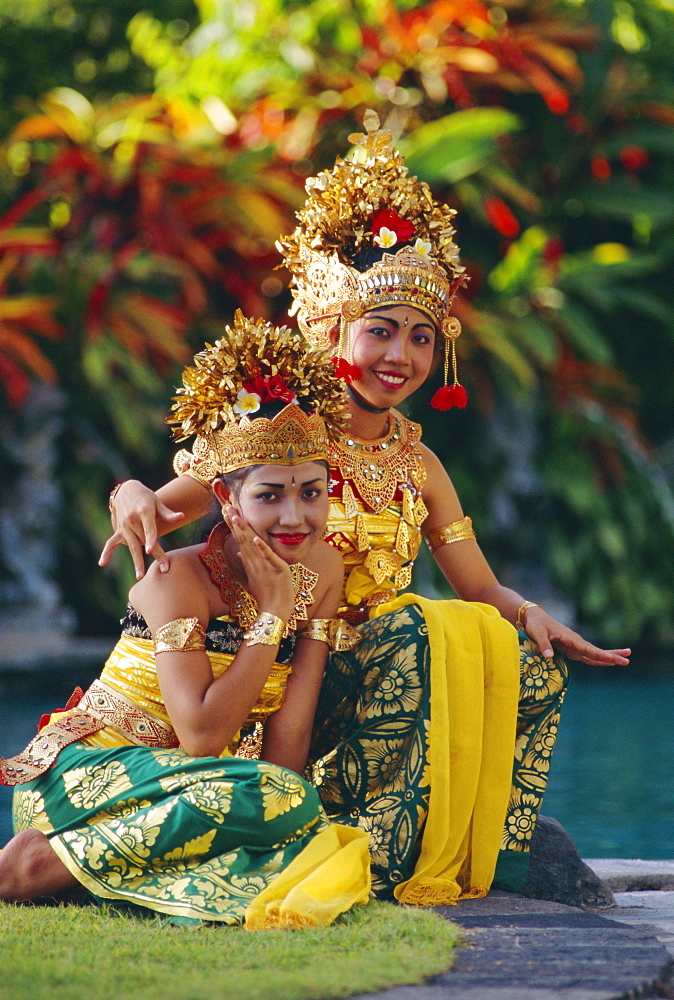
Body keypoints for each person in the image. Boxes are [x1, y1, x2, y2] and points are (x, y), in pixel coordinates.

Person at [99, 113, 630, 902]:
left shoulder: (420, 462)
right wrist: (129, 492)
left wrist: (532, 617)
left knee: (527, 670)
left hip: (378, 667)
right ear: (332, 325)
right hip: (291, 673)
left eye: (421, 339)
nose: (400, 358)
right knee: (417, 630)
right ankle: (380, 854)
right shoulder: (280, 437)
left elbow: (481, 589)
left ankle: (498, 859)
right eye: (381, 331)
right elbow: (167, 505)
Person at [0, 312, 371, 927]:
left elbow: (289, 734)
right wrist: (271, 616)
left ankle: (104, 872)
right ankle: (35, 866)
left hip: (194, 784)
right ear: (226, 498)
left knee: (292, 805)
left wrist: (276, 810)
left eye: (312, 492)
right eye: (270, 495)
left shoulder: (325, 570)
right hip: (90, 778)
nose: (295, 518)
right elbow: (201, 733)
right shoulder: (176, 579)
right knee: (277, 805)